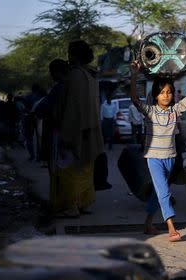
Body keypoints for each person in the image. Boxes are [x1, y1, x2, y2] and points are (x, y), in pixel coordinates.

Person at [130, 59, 186, 242]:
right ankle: (171, 228)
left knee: (158, 192)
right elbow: (134, 99)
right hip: (153, 158)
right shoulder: (150, 111)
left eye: (169, 92)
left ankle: (148, 223)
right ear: (155, 95)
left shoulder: (175, 111)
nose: (166, 96)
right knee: (164, 192)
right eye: (162, 93)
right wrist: (134, 74)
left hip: (171, 158)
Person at [50, 40, 104, 218]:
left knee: (70, 170)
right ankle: (85, 203)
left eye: (69, 52)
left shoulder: (73, 76)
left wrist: (65, 130)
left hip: (75, 130)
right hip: (92, 129)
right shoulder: (91, 76)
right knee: (87, 169)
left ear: (73, 55)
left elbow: (69, 107)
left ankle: (71, 206)